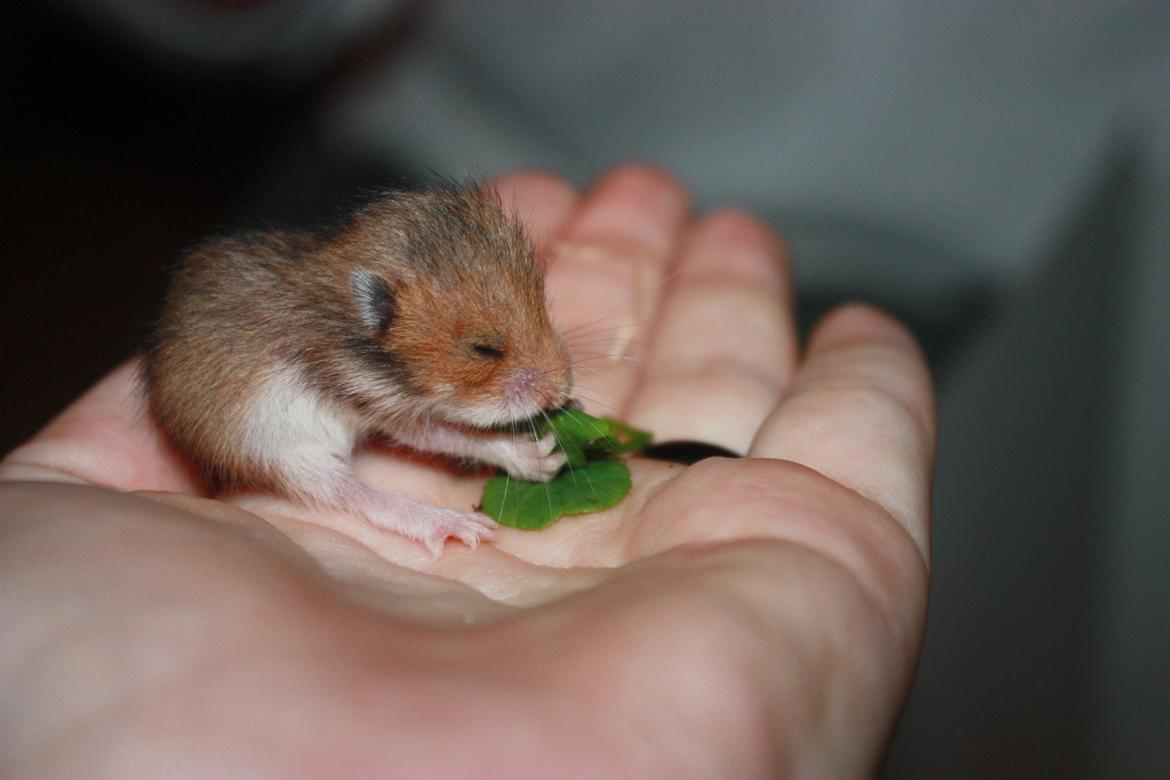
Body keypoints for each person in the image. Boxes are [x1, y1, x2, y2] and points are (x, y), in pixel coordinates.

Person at [0, 166, 934, 777]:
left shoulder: (399, 335)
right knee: (315, 454)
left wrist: (496, 434)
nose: (548, 374)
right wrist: (484, 441)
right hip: (251, 408)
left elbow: (425, 411)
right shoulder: (341, 345)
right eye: (489, 349)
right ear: (374, 313)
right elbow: (405, 416)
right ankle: (365, 506)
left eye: (530, 324)